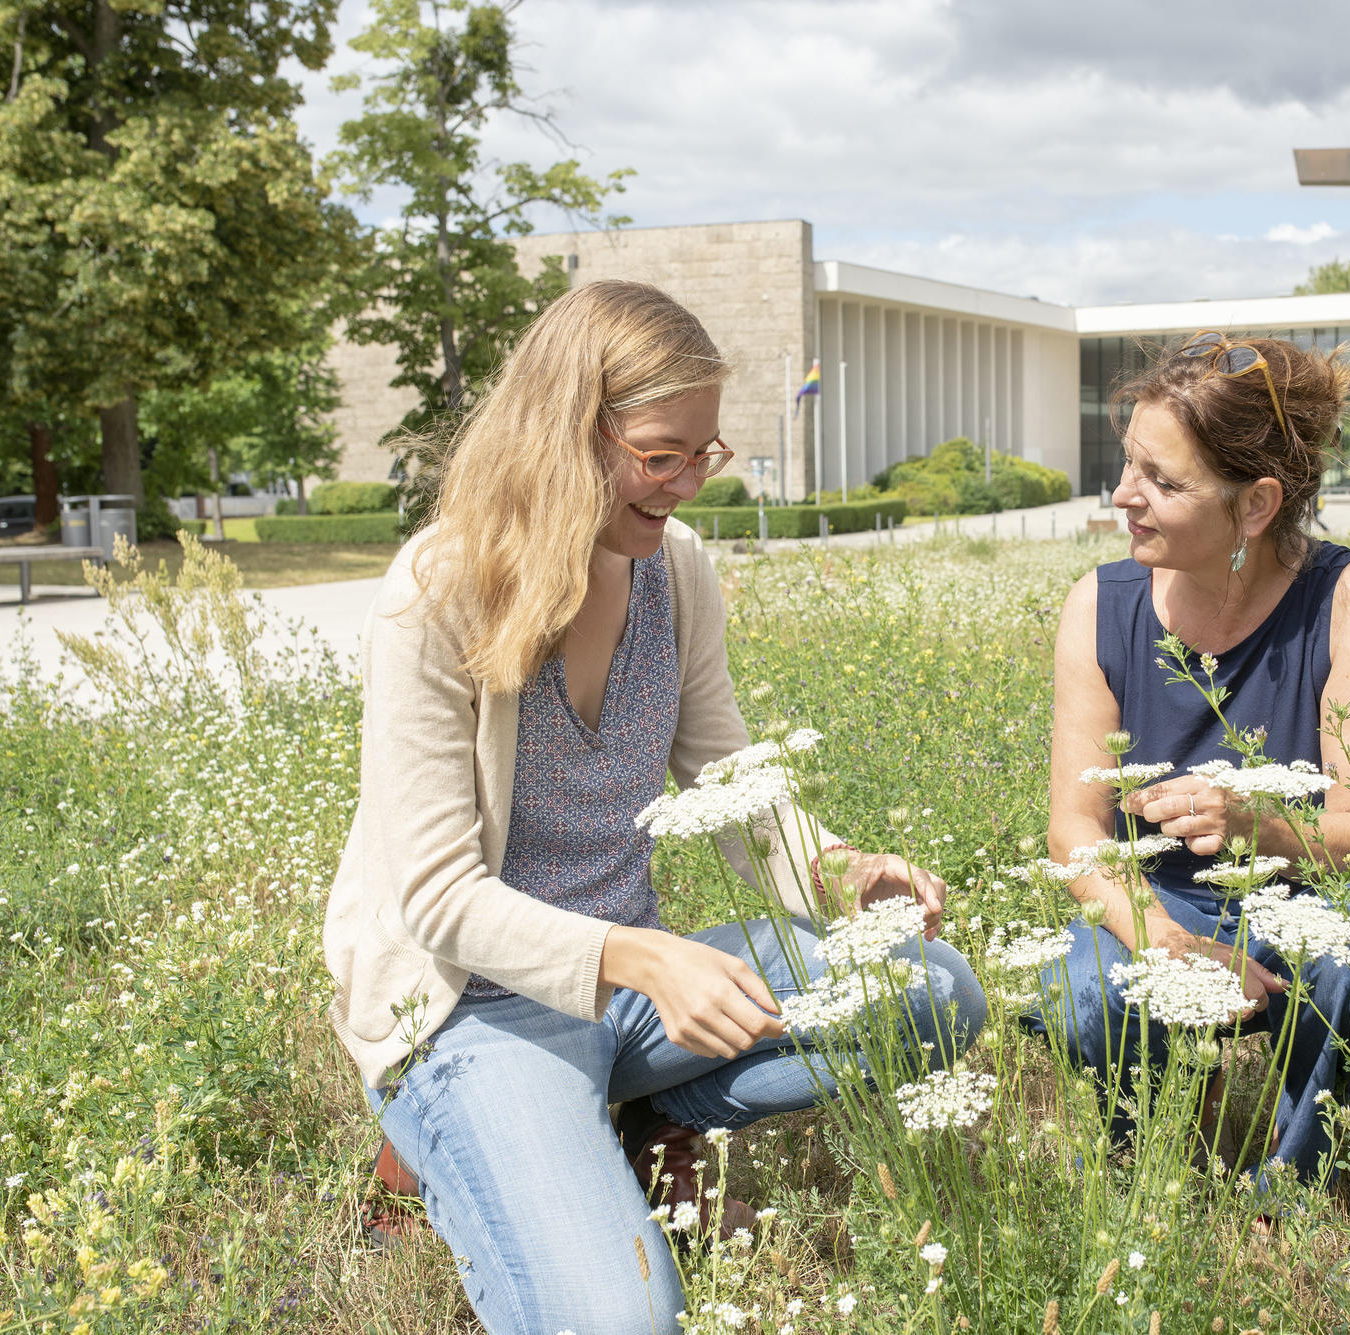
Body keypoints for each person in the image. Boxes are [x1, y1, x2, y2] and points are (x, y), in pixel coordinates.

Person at [321, 280, 986, 1335]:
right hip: (471, 1011)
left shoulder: (674, 572)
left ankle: (645, 1120)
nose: (687, 484)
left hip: (631, 996)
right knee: (620, 1321)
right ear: (565, 434)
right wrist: (640, 958)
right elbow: (436, 898)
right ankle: (441, 1141)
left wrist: (842, 873)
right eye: (660, 454)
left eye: (703, 453)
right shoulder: (438, 593)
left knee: (935, 989)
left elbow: (732, 785)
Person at [1025, 330, 1350, 1189]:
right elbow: (1074, 833)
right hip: (1159, 898)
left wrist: (1257, 824)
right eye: (1129, 463)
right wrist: (1165, 940)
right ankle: (1159, 1148)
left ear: (1255, 505)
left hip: (1312, 891)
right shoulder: (1100, 604)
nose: (1123, 495)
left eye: (1162, 481)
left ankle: (1298, 1173)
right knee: (1084, 992)